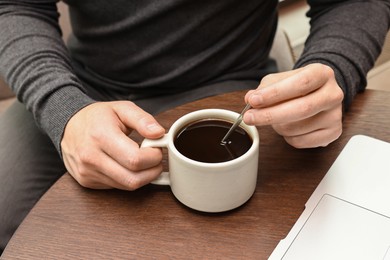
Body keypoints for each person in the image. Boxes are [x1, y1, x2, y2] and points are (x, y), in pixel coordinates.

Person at [0, 0, 389, 254]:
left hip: (236, 83)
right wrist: (63, 110)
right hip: (82, 84)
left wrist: (334, 66)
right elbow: (16, 7)